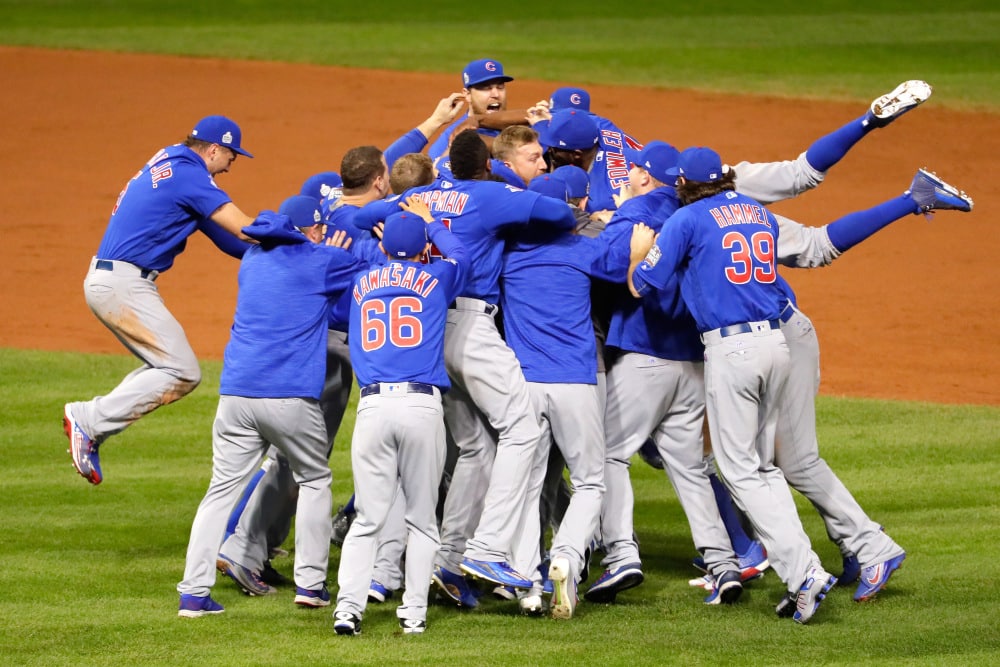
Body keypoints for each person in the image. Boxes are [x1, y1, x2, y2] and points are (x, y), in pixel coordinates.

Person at [354, 129, 578, 606]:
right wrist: (504, 188)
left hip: (431, 329)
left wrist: (411, 212)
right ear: (486, 165)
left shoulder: (422, 194)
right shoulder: (492, 194)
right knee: (524, 426)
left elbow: (366, 215)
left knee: (477, 446)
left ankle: (448, 558)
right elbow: (560, 213)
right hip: (471, 327)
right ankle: (488, 547)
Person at [628, 145, 840, 624]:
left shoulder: (686, 218)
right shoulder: (756, 213)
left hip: (733, 353)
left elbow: (645, 284)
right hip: (776, 345)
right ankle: (802, 573)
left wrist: (641, 254)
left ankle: (805, 572)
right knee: (761, 469)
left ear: (683, 183)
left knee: (739, 471)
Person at [176, 195, 366, 617]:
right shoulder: (321, 260)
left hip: (236, 396)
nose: (321, 233)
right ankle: (312, 585)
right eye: (317, 228)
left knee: (219, 491)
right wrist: (334, 251)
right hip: (288, 399)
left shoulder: (255, 260)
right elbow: (370, 269)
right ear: (310, 230)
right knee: (315, 478)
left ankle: (193, 593)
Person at [64, 115, 256, 485]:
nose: (232, 164)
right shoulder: (190, 176)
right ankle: (88, 420)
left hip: (116, 280)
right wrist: (289, 236)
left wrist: (267, 252)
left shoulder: (173, 162)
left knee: (169, 366)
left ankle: (90, 420)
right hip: (123, 284)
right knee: (182, 370)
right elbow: (242, 228)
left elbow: (231, 243)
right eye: (232, 155)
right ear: (214, 149)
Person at [333, 198, 470, 636]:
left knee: (368, 518)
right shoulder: (436, 277)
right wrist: (432, 226)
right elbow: (462, 255)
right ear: (424, 245)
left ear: (384, 245)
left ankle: (347, 610)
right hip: (419, 407)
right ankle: (413, 613)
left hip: (372, 408)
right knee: (422, 518)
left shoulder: (360, 284)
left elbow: (366, 243)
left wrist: (384, 247)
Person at [501, 182, 632, 619]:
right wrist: (613, 222)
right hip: (576, 381)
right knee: (591, 482)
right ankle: (567, 557)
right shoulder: (582, 252)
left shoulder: (509, 255)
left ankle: (528, 586)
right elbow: (629, 262)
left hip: (525, 386)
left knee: (528, 484)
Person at [428, 58, 516, 162]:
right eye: (486, 88)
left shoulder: (516, 123)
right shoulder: (453, 138)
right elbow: (435, 172)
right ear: (467, 95)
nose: (496, 94)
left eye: (500, 87)